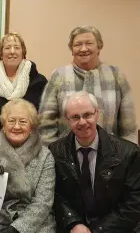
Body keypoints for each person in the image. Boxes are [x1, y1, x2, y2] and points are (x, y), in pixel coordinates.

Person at [49, 91, 140, 233]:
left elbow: (134, 202)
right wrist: (74, 223)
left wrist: (99, 230)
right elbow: (56, 195)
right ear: (68, 120)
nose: (82, 122)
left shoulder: (129, 153)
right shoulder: (55, 152)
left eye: (87, 115)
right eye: (75, 117)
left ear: (97, 113)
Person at [38, 25, 137, 146]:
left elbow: (128, 126)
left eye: (89, 43)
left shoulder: (116, 76)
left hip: (110, 157)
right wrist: (52, 156)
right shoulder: (59, 76)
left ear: (99, 47)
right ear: (72, 49)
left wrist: (128, 158)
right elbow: (45, 124)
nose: (83, 49)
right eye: (78, 44)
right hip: (67, 158)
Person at [0, 99, 56, 233]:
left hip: (37, 224)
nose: (16, 126)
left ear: (31, 127)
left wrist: (17, 229)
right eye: (11, 121)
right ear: (4, 126)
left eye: (23, 121)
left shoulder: (45, 156)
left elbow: (43, 202)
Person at [0, 32, 47, 157]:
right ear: (1, 53)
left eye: (17, 47)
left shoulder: (39, 83)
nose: (12, 51)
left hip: (30, 150)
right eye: (7, 47)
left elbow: (45, 118)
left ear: (23, 52)